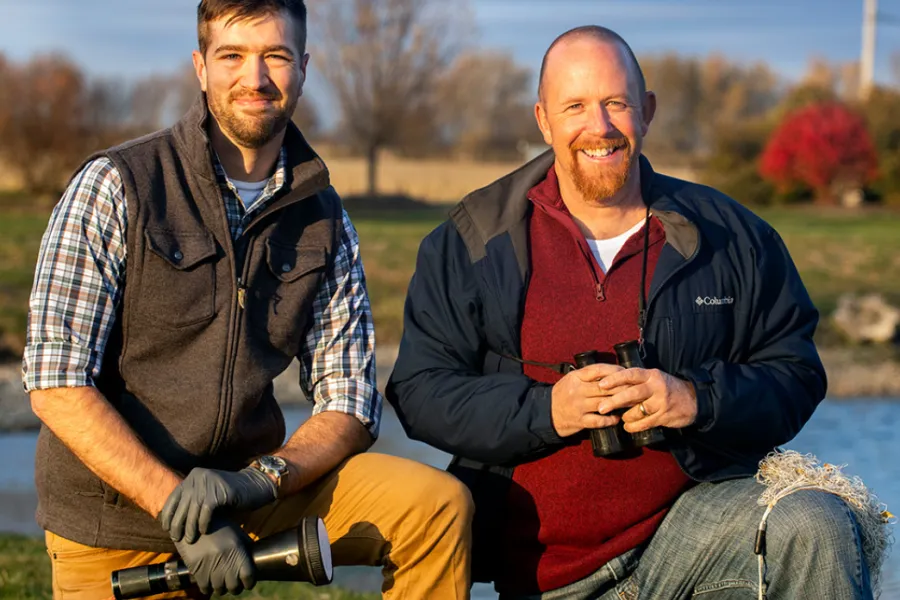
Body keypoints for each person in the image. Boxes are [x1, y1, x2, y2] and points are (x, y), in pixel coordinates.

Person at [386, 25, 873, 600]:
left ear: (647, 112)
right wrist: (550, 409)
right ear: (543, 119)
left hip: (690, 535)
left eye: (616, 103)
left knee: (815, 523)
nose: (600, 127)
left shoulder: (732, 236)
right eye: (576, 107)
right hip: (544, 572)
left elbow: (795, 371)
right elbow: (420, 391)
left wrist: (695, 399)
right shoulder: (471, 240)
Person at [24, 1, 473, 598]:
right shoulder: (118, 184)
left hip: (252, 493)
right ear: (200, 66)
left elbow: (351, 398)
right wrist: (170, 504)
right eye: (232, 55)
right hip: (118, 519)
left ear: (304, 67)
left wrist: (263, 481)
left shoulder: (324, 217)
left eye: (276, 56)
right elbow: (56, 379)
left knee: (434, 506)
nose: (255, 78)